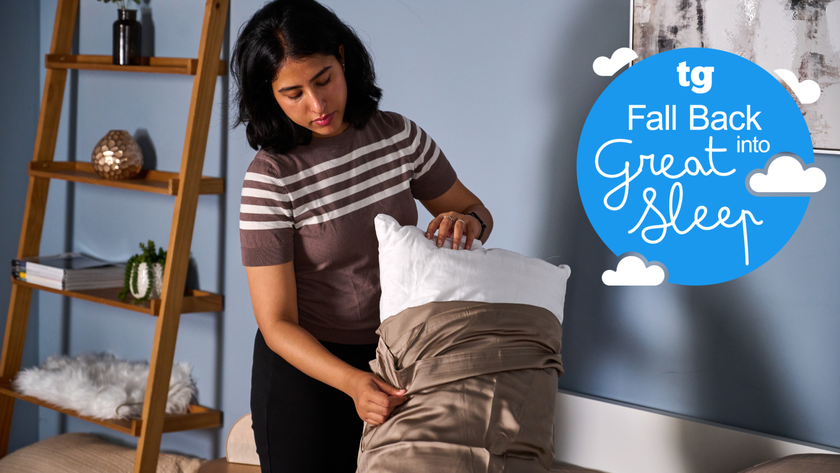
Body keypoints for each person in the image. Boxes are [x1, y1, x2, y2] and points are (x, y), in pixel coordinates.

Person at [232, 1, 493, 471]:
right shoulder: (270, 178)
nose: (316, 105)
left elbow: (474, 211)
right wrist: (353, 383)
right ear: (269, 96)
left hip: (396, 357)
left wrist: (467, 224)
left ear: (343, 58)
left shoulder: (397, 137)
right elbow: (277, 324)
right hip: (308, 374)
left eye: (323, 79)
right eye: (292, 93)